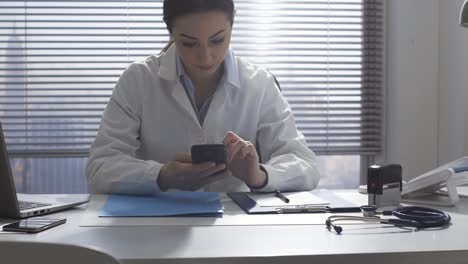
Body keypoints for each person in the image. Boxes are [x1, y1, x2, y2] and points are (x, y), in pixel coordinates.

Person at [86, 0, 320, 195]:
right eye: (188, 43)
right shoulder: (138, 79)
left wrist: (259, 175)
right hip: (154, 228)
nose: (205, 57)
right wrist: (162, 176)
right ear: (171, 32)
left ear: (232, 22)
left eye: (217, 40)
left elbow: (305, 164)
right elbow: (100, 167)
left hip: (236, 228)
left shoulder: (259, 83)